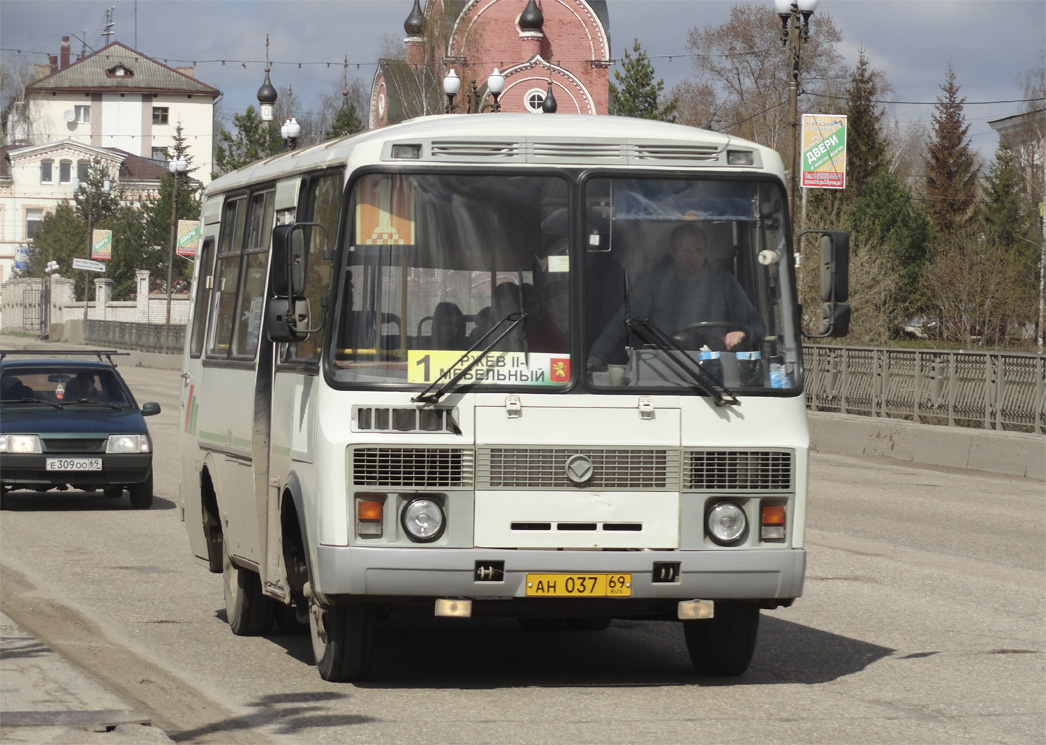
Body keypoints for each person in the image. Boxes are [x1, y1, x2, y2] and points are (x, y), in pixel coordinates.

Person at [588, 222, 764, 367]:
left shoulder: (725, 283)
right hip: (664, 368)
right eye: (686, 251)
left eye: (698, 250)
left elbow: (757, 324)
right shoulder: (653, 283)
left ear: (705, 250)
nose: (693, 257)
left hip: (715, 369)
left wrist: (742, 333)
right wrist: (596, 358)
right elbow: (621, 322)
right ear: (673, 252)